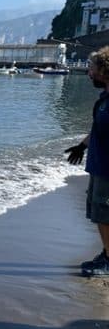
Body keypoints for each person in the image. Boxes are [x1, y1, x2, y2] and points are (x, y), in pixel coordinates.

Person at [65, 46, 109, 277]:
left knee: (104, 214)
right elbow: (98, 130)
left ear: (104, 70)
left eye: (91, 68)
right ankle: (106, 252)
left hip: (107, 171)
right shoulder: (104, 99)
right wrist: (82, 146)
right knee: (101, 214)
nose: (89, 73)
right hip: (100, 167)